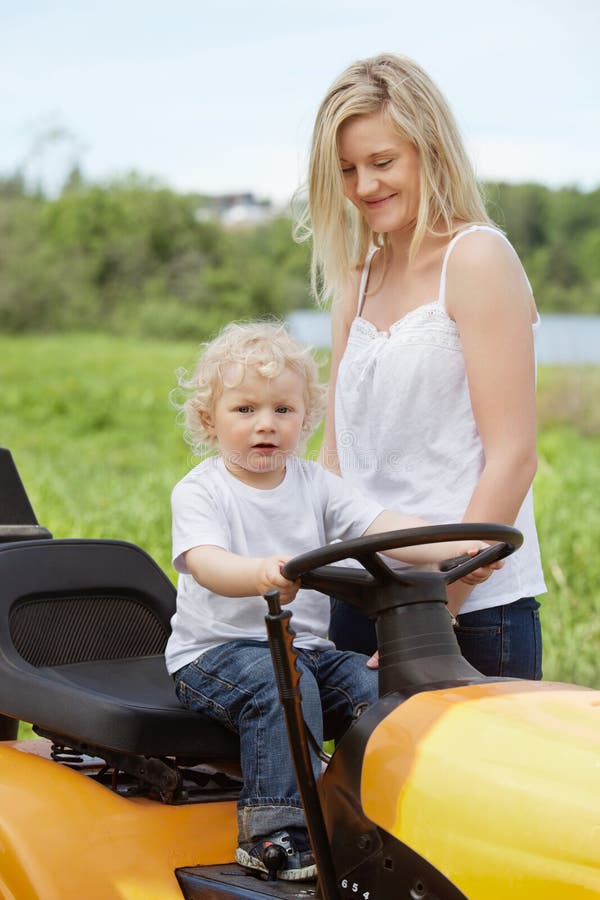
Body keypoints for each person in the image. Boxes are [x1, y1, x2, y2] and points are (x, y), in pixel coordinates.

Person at [165, 320, 499, 882]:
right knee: (280, 683)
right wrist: (258, 575)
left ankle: (383, 818)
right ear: (209, 419)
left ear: (306, 417)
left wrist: (457, 543)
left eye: (283, 410)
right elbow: (206, 563)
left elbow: (383, 525)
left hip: (305, 650)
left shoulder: (315, 483)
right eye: (245, 410)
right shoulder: (202, 490)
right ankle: (275, 833)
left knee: (384, 690)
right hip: (214, 655)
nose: (265, 424)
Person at [298, 52, 546, 678]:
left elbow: (512, 457)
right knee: (351, 780)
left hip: (469, 609)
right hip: (359, 593)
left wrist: (437, 615)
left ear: (430, 149)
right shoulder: (356, 276)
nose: (364, 186)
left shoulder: (478, 259)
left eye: (383, 162)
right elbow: (337, 454)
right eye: (347, 169)